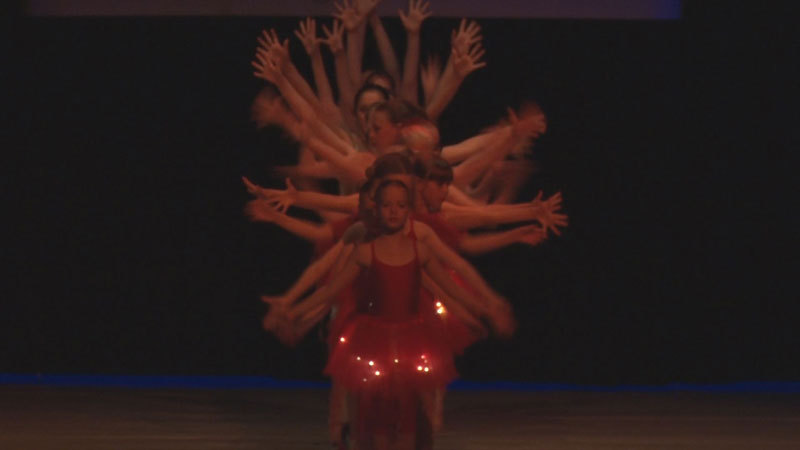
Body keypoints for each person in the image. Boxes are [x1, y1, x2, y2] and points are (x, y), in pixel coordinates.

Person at [266, 179, 514, 450]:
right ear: (377, 209)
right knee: (379, 422)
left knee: (407, 419)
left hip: (412, 340)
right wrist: (294, 311)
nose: (394, 211)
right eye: (387, 205)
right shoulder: (365, 251)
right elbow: (330, 290)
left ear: (409, 209)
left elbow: (449, 288)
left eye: (400, 205)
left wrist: (484, 310)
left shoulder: (420, 250)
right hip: (373, 340)